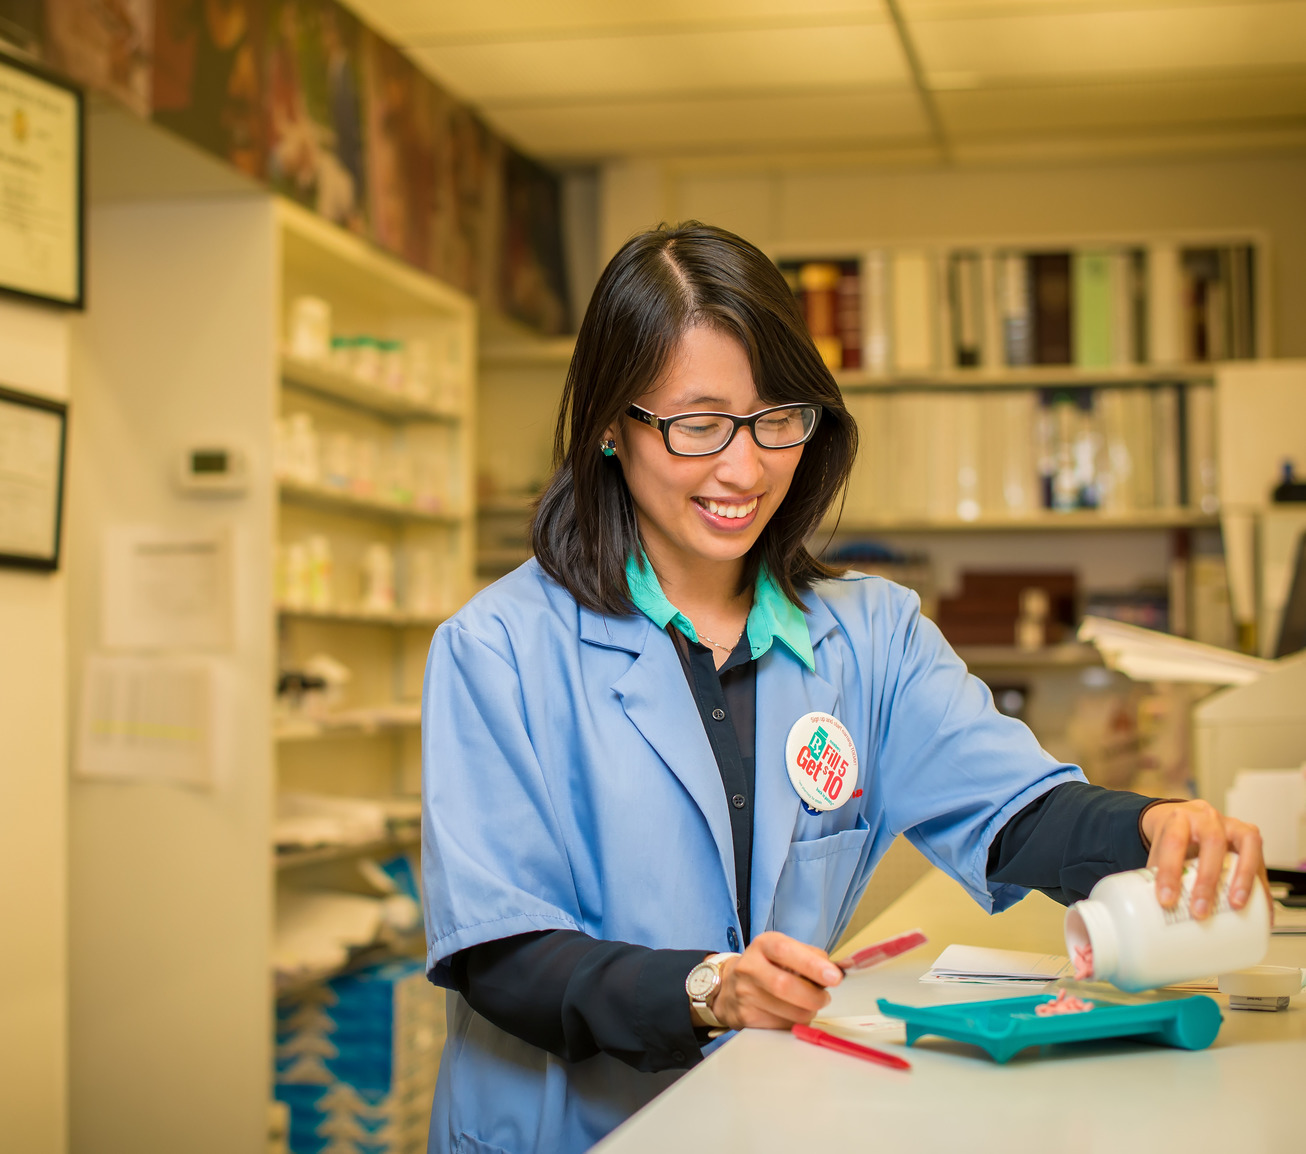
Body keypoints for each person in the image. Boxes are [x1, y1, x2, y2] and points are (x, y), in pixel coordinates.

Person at [420, 223, 1265, 1154]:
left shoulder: (871, 634)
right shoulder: (498, 649)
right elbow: (503, 952)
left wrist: (1148, 828)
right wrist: (709, 989)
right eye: (698, 425)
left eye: (777, 417)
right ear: (612, 429)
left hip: (768, 1110)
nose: (744, 469)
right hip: (569, 1129)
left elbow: (1015, 811)